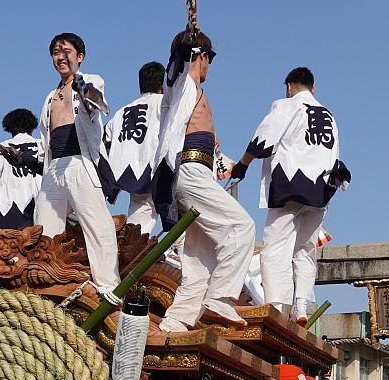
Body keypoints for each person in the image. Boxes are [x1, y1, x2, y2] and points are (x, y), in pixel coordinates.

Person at [152, 26, 255, 331]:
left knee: (201, 261)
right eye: (210, 57)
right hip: (189, 172)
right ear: (202, 56)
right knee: (241, 227)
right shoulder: (182, 84)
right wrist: (189, 37)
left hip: (197, 174)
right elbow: (174, 68)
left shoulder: (194, 90)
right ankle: (220, 298)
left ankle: (176, 322)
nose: (210, 65)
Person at [229, 67, 345, 325]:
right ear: (313, 88)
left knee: (276, 248)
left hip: (291, 184)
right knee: (305, 249)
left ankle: (277, 308)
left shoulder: (285, 106)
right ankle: (301, 306)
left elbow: (262, 140)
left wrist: (242, 165)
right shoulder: (329, 115)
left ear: (289, 88)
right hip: (321, 191)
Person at [34, 32, 121, 303]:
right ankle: (48, 286)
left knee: (97, 224)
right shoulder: (49, 96)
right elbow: (46, 140)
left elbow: (94, 102)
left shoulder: (91, 80)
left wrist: (82, 88)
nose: (60, 57)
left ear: (80, 56)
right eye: (56, 53)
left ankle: (109, 287)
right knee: (43, 229)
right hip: (54, 168)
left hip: (80, 162)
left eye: (66, 52)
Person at [103, 61, 165, 234]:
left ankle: (125, 246)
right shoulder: (164, 103)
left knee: (137, 222)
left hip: (126, 172)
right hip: (154, 169)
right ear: (163, 85)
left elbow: (105, 140)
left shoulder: (121, 112)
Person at [0, 108, 44, 230]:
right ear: (33, 126)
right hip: (42, 211)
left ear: (8, 127)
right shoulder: (43, 146)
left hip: (6, 214)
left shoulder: (1, 148)